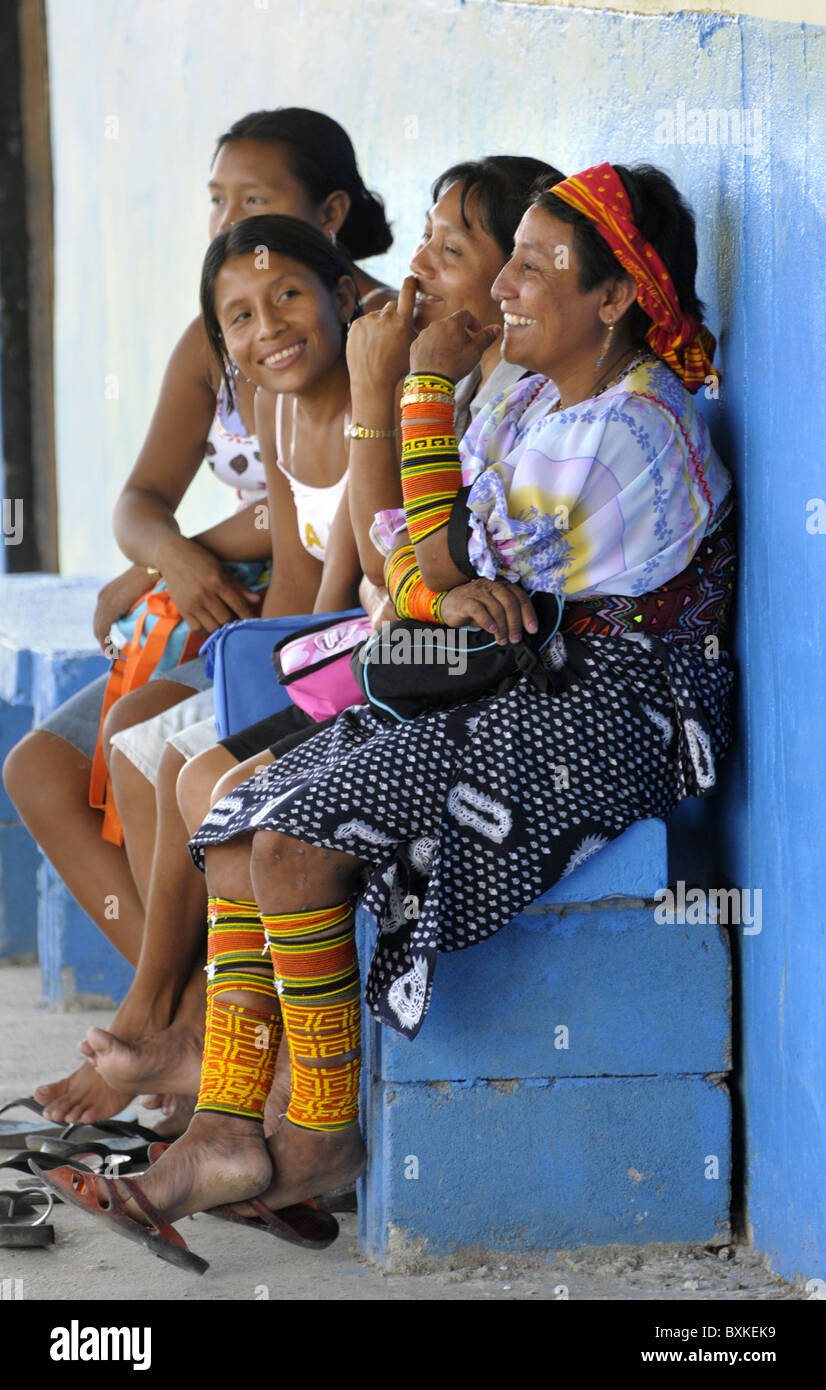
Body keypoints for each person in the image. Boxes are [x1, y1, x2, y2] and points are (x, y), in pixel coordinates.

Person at [36, 160, 736, 1266]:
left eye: (539, 266)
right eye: (507, 260)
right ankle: (226, 1127)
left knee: (299, 841)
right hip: (508, 674)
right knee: (239, 822)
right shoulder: (540, 402)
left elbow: (428, 588)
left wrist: (410, 398)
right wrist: (428, 552)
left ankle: (316, 1142)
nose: (506, 286)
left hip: (611, 708)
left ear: (613, 299)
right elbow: (418, 573)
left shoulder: (631, 436)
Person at [74, 156, 563, 1124]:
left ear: (512, 277)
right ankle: (205, 1046)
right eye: (425, 233)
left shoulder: (468, 389)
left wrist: (388, 397)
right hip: (374, 653)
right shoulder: (427, 380)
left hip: (416, 666)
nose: (419, 261)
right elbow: (369, 576)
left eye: (450, 245)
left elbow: (392, 574)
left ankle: (250, 1078)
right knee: (161, 748)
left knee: (211, 778)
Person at [2, 109, 394, 1126]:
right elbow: (140, 502)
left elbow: (316, 506)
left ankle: (190, 1038)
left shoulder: (375, 345)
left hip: (282, 619)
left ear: (332, 213)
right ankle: (185, 1017)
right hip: (230, 617)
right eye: (217, 201)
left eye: (253, 202)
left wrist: (194, 556)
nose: (228, 219)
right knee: (38, 766)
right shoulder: (219, 335)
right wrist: (169, 557)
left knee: (150, 747)